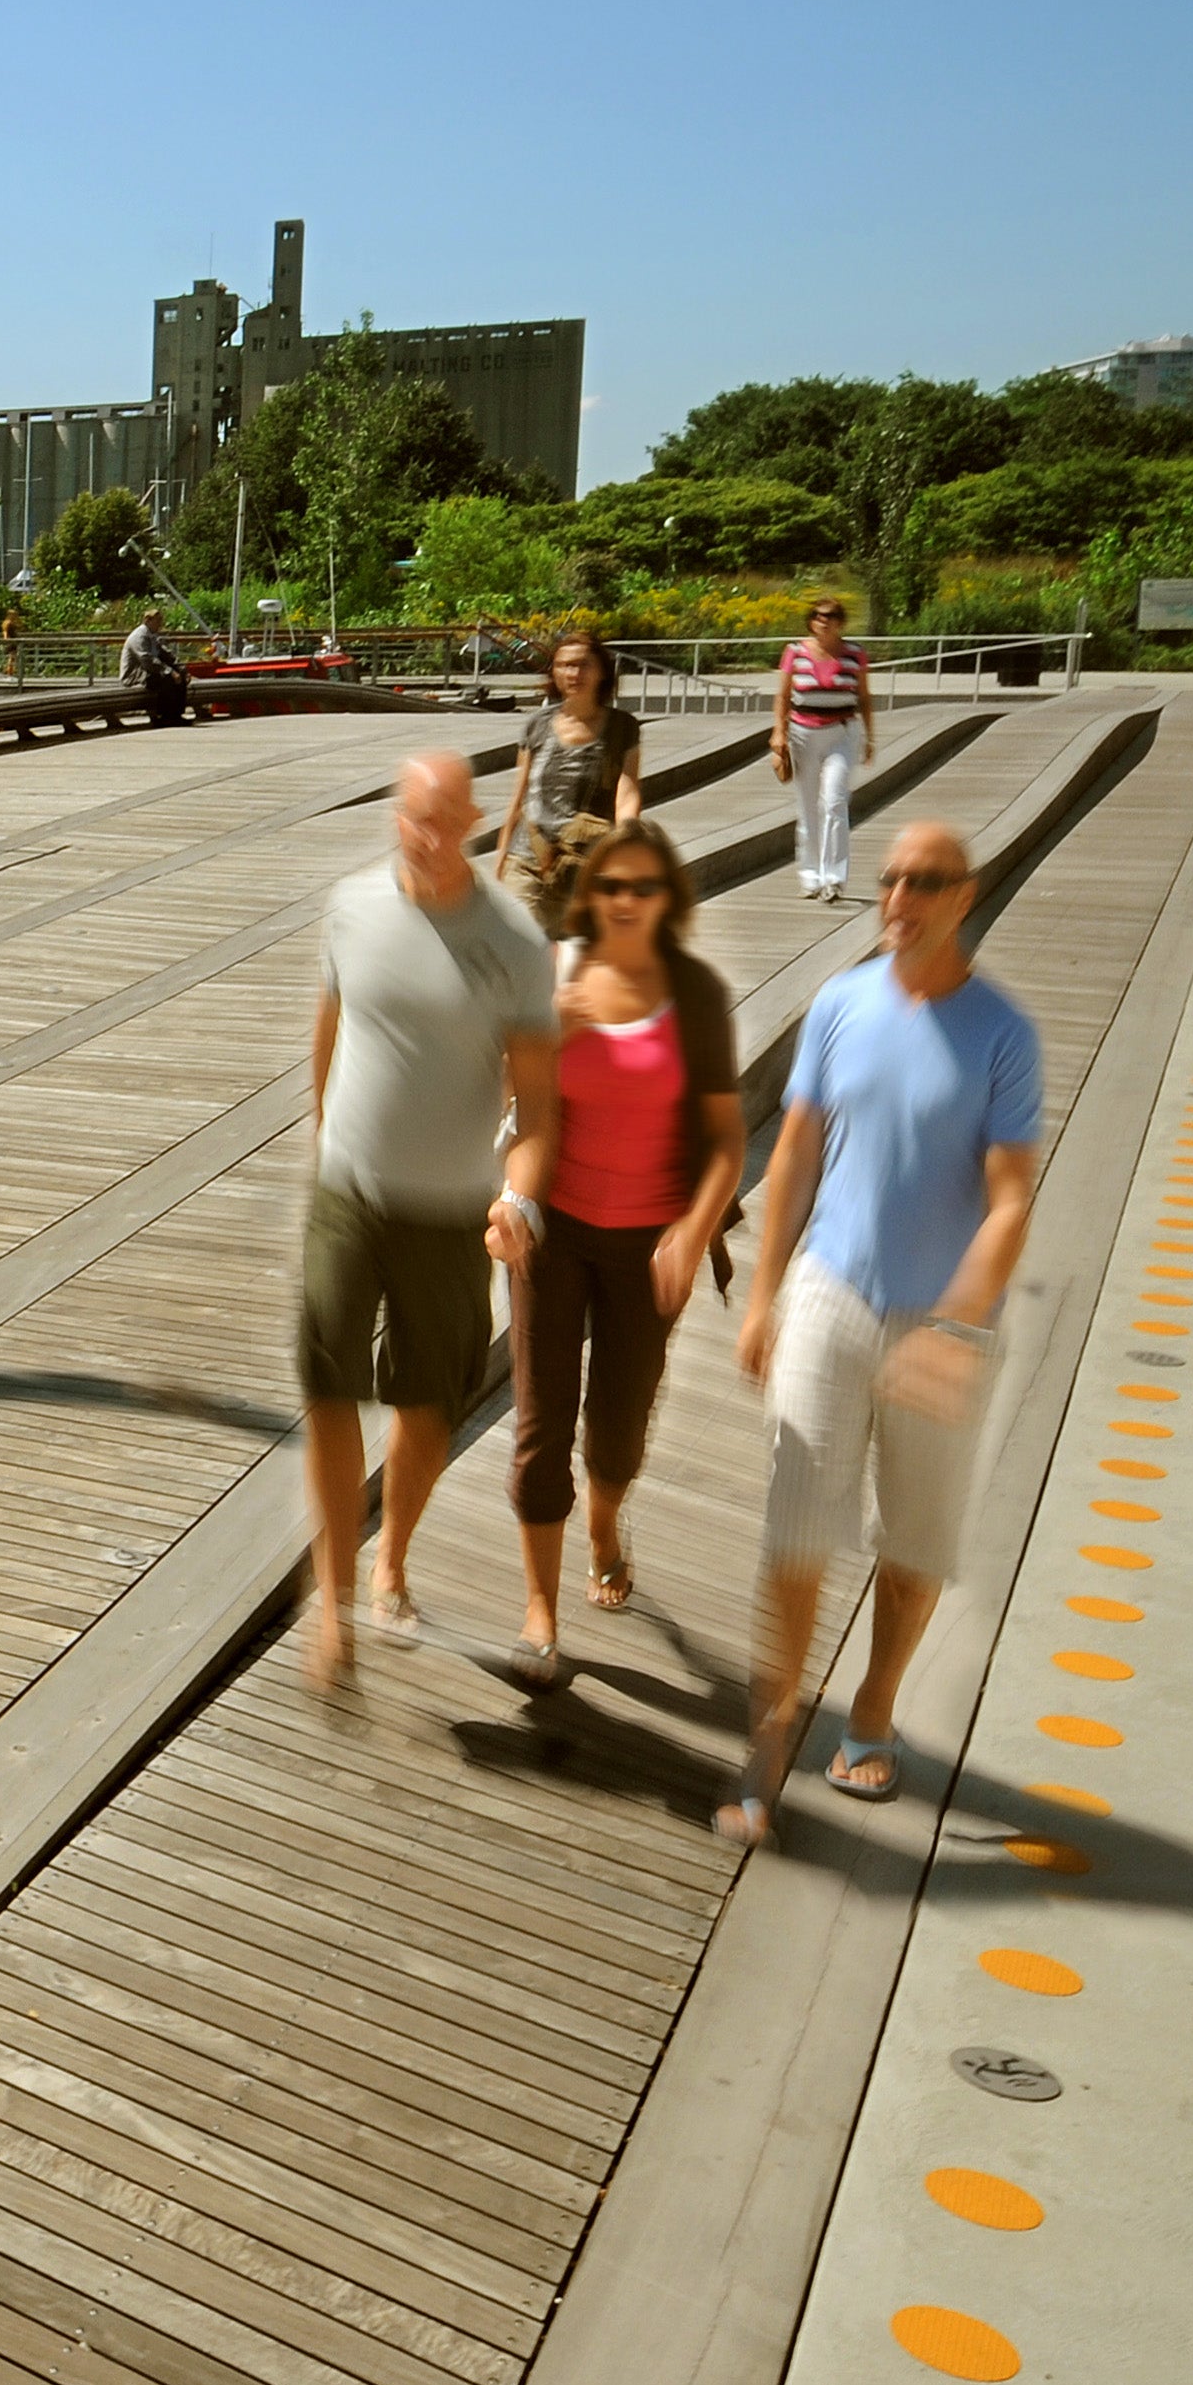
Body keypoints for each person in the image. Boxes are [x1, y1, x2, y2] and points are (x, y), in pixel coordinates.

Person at [721, 820, 1039, 1849]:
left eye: (923, 880)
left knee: (911, 1549)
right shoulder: (838, 1003)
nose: (897, 895)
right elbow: (797, 1158)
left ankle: (871, 1705)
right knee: (793, 1534)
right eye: (889, 877)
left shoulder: (1002, 1031)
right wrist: (765, 1293)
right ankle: (768, 1738)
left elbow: (1007, 1202)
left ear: (964, 895)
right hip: (830, 1292)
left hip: (941, 1320)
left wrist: (953, 1323)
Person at [301, 755, 559, 1691]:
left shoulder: (516, 941)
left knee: (425, 1406)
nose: (431, 833)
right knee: (327, 1387)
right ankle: (331, 1603)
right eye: (417, 815)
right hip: (348, 1194)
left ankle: (391, 1558)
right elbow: (332, 1026)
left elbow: (538, 1104)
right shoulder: (353, 904)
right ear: (395, 817)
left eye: (449, 817)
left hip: (452, 1209)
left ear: (479, 818)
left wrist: (517, 1197)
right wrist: (330, 1132)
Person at [499, 821, 744, 1689]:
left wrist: (691, 1226)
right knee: (539, 1429)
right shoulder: (556, 981)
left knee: (617, 1430)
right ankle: (540, 1611)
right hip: (554, 1231)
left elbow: (726, 1141)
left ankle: (604, 1521)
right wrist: (545, 1032)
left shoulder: (696, 994)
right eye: (610, 887)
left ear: (668, 898)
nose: (625, 902)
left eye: (644, 887)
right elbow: (513, 1100)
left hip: (650, 1244)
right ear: (588, 896)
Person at [494, 629, 648, 937]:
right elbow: (518, 800)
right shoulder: (536, 726)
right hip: (528, 861)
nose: (573, 673)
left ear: (602, 671)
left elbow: (627, 796)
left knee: (582, 966)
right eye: (564, 665)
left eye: (583, 664)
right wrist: (499, 865)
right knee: (516, 950)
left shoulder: (622, 728)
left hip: (589, 867)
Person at [773, 595, 879, 901]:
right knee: (807, 807)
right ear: (811, 620)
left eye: (831, 616)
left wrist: (869, 738)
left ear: (840, 621)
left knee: (834, 802)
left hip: (841, 732)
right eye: (819, 615)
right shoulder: (795, 652)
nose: (825, 621)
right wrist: (778, 733)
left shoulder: (854, 654)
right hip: (803, 733)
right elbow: (782, 697)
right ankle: (810, 876)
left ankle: (833, 878)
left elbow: (865, 697)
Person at [122, 608, 188, 728]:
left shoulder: (152, 636)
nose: (160, 625)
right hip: (134, 674)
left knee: (180, 675)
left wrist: (181, 668)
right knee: (167, 677)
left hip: (149, 672)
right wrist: (170, 671)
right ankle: (164, 716)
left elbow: (165, 654)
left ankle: (176, 715)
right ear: (148, 620)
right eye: (157, 621)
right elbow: (147, 660)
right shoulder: (139, 636)